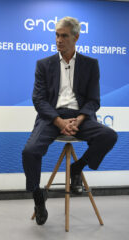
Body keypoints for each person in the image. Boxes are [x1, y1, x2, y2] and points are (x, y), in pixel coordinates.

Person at [22, 16, 118, 226]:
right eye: (56, 35)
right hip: (51, 118)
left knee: (109, 136)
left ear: (76, 37)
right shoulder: (43, 65)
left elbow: (94, 100)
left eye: (64, 36)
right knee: (29, 151)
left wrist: (80, 119)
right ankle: (38, 197)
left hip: (80, 117)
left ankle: (77, 168)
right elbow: (38, 100)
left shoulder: (90, 65)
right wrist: (59, 122)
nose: (59, 40)